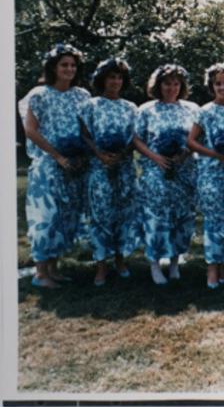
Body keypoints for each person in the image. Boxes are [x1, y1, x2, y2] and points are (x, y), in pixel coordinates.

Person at [21, 45, 91, 288]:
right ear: (53, 67)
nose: (69, 69)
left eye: (73, 65)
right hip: (49, 165)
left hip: (73, 165)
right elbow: (31, 130)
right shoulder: (39, 94)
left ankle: (53, 269)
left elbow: (85, 129)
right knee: (46, 217)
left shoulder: (81, 95)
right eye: (64, 65)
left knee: (65, 217)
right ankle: (41, 273)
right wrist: (58, 157)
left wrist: (83, 155)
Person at [133, 63, 198, 285]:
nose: (172, 88)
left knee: (182, 218)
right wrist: (155, 157)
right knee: (157, 218)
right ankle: (154, 264)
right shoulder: (146, 110)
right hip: (156, 171)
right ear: (158, 85)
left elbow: (196, 138)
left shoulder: (191, 109)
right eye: (167, 83)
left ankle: (174, 263)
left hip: (184, 172)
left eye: (176, 84)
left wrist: (184, 153)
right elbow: (136, 139)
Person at [79, 57, 140, 287]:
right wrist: (99, 154)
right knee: (101, 216)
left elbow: (136, 138)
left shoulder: (130, 108)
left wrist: (122, 154)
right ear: (102, 80)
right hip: (99, 168)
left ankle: (121, 260)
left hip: (124, 168)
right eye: (111, 77)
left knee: (124, 215)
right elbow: (85, 135)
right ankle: (101, 266)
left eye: (119, 78)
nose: (115, 81)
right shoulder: (90, 105)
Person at [187, 63, 224, 289]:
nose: (223, 87)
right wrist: (216, 155)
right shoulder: (205, 111)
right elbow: (191, 141)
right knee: (214, 221)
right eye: (218, 83)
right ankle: (212, 269)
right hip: (211, 174)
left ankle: (221, 266)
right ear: (211, 86)